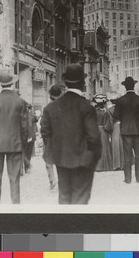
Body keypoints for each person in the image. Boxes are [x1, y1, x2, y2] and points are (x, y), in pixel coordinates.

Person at [41, 64, 102, 204]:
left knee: (64, 196)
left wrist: (56, 150)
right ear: (83, 83)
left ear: (65, 82)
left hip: (61, 158)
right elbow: (94, 137)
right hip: (84, 160)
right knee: (80, 199)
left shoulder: (51, 107)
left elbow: (45, 132)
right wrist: (94, 157)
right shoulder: (87, 107)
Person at [0, 72, 28, 204]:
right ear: (12, 83)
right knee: (14, 179)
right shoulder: (20, 101)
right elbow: (25, 128)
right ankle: (15, 207)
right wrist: (22, 144)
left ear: (0, 84)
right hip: (15, 144)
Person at [113, 76, 139, 184]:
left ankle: (128, 179)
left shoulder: (120, 100)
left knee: (127, 155)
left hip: (125, 131)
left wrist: (124, 118)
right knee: (138, 156)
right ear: (134, 85)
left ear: (125, 87)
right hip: (138, 130)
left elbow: (115, 115)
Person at [41, 84, 64, 190]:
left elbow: (44, 127)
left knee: (49, 162)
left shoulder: (47, 108)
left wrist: (47, 141)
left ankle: (52, 181)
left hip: (51, 140)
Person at [93, 94, 113, 172]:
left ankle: (97, 166)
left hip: (95, 130)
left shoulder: (93, 111)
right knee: (104, 147)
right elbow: (108, 124)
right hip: (103, 130)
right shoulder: (105, 112)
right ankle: (105, 166)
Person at [106, 92, 123, 171]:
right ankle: (124, 163)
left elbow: (110, 122)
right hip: (122, 126)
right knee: (122, 144)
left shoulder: (109, 110)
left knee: (115, 145)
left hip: (115, 127)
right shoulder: (121, 109)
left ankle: (117, 164)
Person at [23, 103, 38, 174]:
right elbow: (30, 125)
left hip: (26, 137)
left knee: (24, 152)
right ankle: (27, 167)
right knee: (28, 153)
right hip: (30, 137)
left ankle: (25, 167)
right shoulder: (30, 116)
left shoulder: (22, 115)